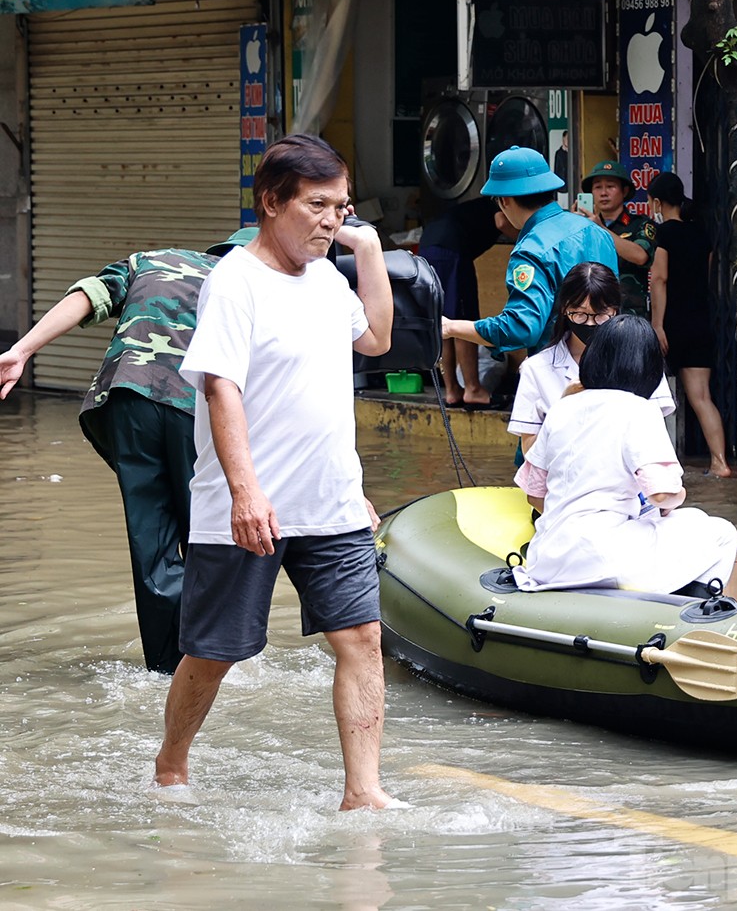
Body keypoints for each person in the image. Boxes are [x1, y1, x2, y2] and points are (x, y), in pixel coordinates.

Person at [153, 133, 399, 810]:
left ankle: (364, 790)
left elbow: (375, 339)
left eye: (341, 208)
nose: (331, 221)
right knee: (214, 654)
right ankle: (172, 764)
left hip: (333, 503)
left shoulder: (327, 277)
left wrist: (369, 252)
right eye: (318, 205)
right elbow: (220, 387)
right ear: (271, 202)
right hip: (248, 506)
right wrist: (246, 492)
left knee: (362, 639)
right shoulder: (235, 280)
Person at [0, 227, 256, 674]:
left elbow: (89, 296)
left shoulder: (153, 258)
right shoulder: (260, 281)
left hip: (125, 400)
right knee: (211, 539)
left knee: (153, 547)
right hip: (194, 407)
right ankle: (214, 666)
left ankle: (164, 671)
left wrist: (21, 351)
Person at [513, 315, 737, 594]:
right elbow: (661, 495)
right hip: (603, 559)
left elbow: (534, 494)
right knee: (720, 532)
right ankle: (691, 613)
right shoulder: (639, 410)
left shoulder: (562, 408)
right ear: (648, 368)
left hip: (545, 559)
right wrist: (674, 499)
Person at [443, 146, 617, 359]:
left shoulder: (532, 249)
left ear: (504, 200)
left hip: (560, 374)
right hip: (609, 363)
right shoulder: (597, 232)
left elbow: (522, 328)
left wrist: (451, 327)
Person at [508, 261, 674, 456]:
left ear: (615, 310)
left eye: (601, 315)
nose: (590, 323)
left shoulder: (641, 359)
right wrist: (563, 407)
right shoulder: (536, 368)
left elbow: (654, 439)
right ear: (564, 309)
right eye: (579, 314)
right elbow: (530, 452)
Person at [646, 172, 731, 478]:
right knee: (702, 397)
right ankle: (719, 463)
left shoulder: (665, 232)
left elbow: (659, 278)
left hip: (673, 324)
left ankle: (662, 468)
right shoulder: (701, 234)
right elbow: (704, 278)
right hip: (700, 320)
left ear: (656, 202)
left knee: (656, 395)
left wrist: (657, 324)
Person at [419, 196, 505, 408]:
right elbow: (502, 222)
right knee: (462, 317)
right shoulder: (501, 203)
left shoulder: (474, 207)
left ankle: (451, 390)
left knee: (443, 321)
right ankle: (473, 389)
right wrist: (527, 237)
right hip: (452, 250)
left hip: (428, 247)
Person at [576, 158, 654, 316]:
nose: (603, 193)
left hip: (630, 315)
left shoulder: (640, 224)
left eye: (610, 186)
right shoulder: (582, 227)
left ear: (624, 191)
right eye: (598, 187)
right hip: (592, 315)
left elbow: (640, 256)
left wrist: (601, 229)